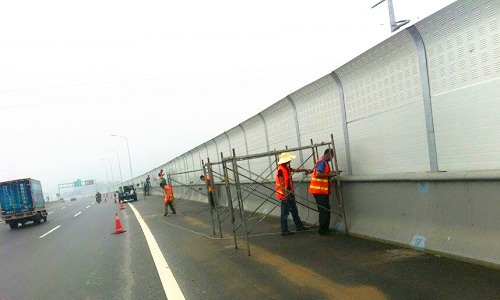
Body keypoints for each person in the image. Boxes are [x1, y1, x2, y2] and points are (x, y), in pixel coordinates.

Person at [275, 152, 310, 236]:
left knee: (294, 210)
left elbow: (294, 170)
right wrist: (285, 195)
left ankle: (299, 226)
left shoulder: (286, 167)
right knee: (285, 212)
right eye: (289, 159)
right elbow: (282, 183)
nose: (290, 160)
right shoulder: (280, 169)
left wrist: (304, 170)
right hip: (285, 194)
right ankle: (284, 230)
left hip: (289, 193)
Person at [308, 148, 339, 236]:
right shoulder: (322, 162)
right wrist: (330, 174)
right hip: (319, 191)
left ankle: (325, 229)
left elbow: (322, 174)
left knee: (325, 210)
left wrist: (330, 174)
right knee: (324, 211)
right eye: (332, 156)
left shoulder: (323, 162)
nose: (332, 158)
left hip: (321, 191)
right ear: (329, 155)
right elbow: (318, 174)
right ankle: (323, 230)